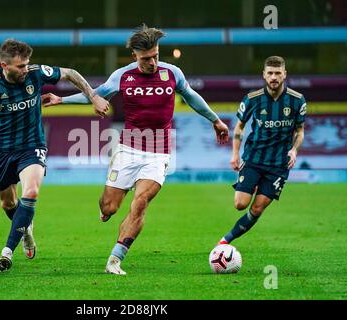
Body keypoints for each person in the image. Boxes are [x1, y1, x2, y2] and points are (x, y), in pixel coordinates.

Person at [42, 25, 230, 275]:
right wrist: (61, 100)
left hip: (158, 153)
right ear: (135, 57)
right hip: (128, 150)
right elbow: (97, 96)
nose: (152, 62)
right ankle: (108, 207)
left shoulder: (172, 73)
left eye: (156, 56)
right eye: (146, 59)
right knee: (109, 207)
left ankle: (115, 259)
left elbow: (192, 96)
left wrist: (215, 120)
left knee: (140, 203)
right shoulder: (122, 76)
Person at [0, 39, 109, 272]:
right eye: (20, 66)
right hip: (3, 149)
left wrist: (93, 96)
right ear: (4, 65)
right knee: (7, 202)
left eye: (27, 64)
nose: (25, 69)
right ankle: (26, 227)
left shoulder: (36, 73)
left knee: (32, 191)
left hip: (32, 145)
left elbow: (70, 73)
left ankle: (7, 252)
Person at [218, 56, 306, 246]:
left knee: (257, 209)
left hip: (278, 165)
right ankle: (254, 184)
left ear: (285, 74)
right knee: (240, 204)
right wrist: (234, 154)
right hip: (254, 159)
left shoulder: (297, 101)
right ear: (264, 75)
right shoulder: (252, 99)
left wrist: (294, 150)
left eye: (278, 73)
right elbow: (239, 127)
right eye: (270, 73)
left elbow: (300, 131)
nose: (274, 77)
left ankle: (225, 242)